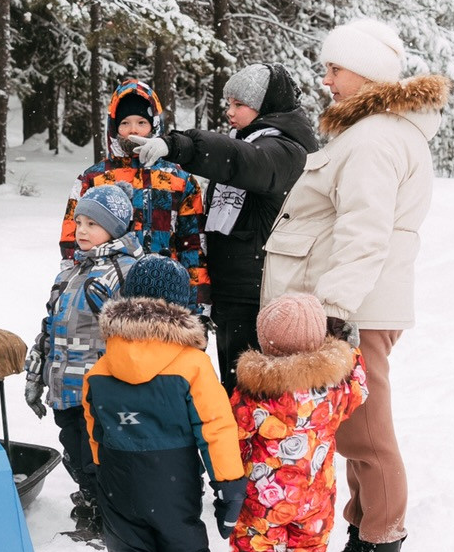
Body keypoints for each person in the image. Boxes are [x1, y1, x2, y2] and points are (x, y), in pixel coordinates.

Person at [260, 16, 446, 552]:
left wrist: (335, 309)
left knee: (368, 434)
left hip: (358, 307)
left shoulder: (374, 139)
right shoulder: (373, 133)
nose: (327, 80)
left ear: (365, 72)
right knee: (354, 433)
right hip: (360, 303)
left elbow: (364, 233)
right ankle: (365, 545)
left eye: (335, 68)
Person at [81, 256, 246, 552]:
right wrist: (229, 484)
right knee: (183, 549)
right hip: (173, 480)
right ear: (181, 308)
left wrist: (100, 471)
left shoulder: (101, 367)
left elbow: (94, 428)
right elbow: (215, 427)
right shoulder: (193, 365)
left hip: (120, 478)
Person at [124, 62, 314, 388]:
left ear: (266, 106)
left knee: (253, 400)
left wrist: (179, 145)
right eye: (229, 103)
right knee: (234, 396)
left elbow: (240, 160)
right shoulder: (251, 140)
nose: (230, 112)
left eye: (240, 104)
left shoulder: (284, 150)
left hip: (260, 296)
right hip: (234, 295)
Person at [227, 292, 365, 552]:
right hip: (317, 494)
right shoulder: (335, 387)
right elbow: (360, 387)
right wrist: (353, 352)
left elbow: (234, 431)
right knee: (308, 548)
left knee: (257, 547)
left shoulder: (254, 392)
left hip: (264, 496)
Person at [22, 183, 143, 542]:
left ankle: (110, 519)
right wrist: (35, 375)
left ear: (116, 228)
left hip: (101, 389)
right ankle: (90, 505)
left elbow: (139, 337)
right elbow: (49, 327)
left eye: (93, 223)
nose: (83, 230)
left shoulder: (126, 273)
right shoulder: (69, 274)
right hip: (64, 388)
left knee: (101, 457)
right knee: (75, 453)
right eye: (80, 222)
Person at [59, 79, 210, 308]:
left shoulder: (179, 180)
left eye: (141, 122)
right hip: (107, 292)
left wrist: (197, 302)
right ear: (114, 127)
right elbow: (73, 238)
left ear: (154, 126)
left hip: (166, 291)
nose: (133, 130)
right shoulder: (93, 179)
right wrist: (71, 288)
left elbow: (193, 244)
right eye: (125, 123)